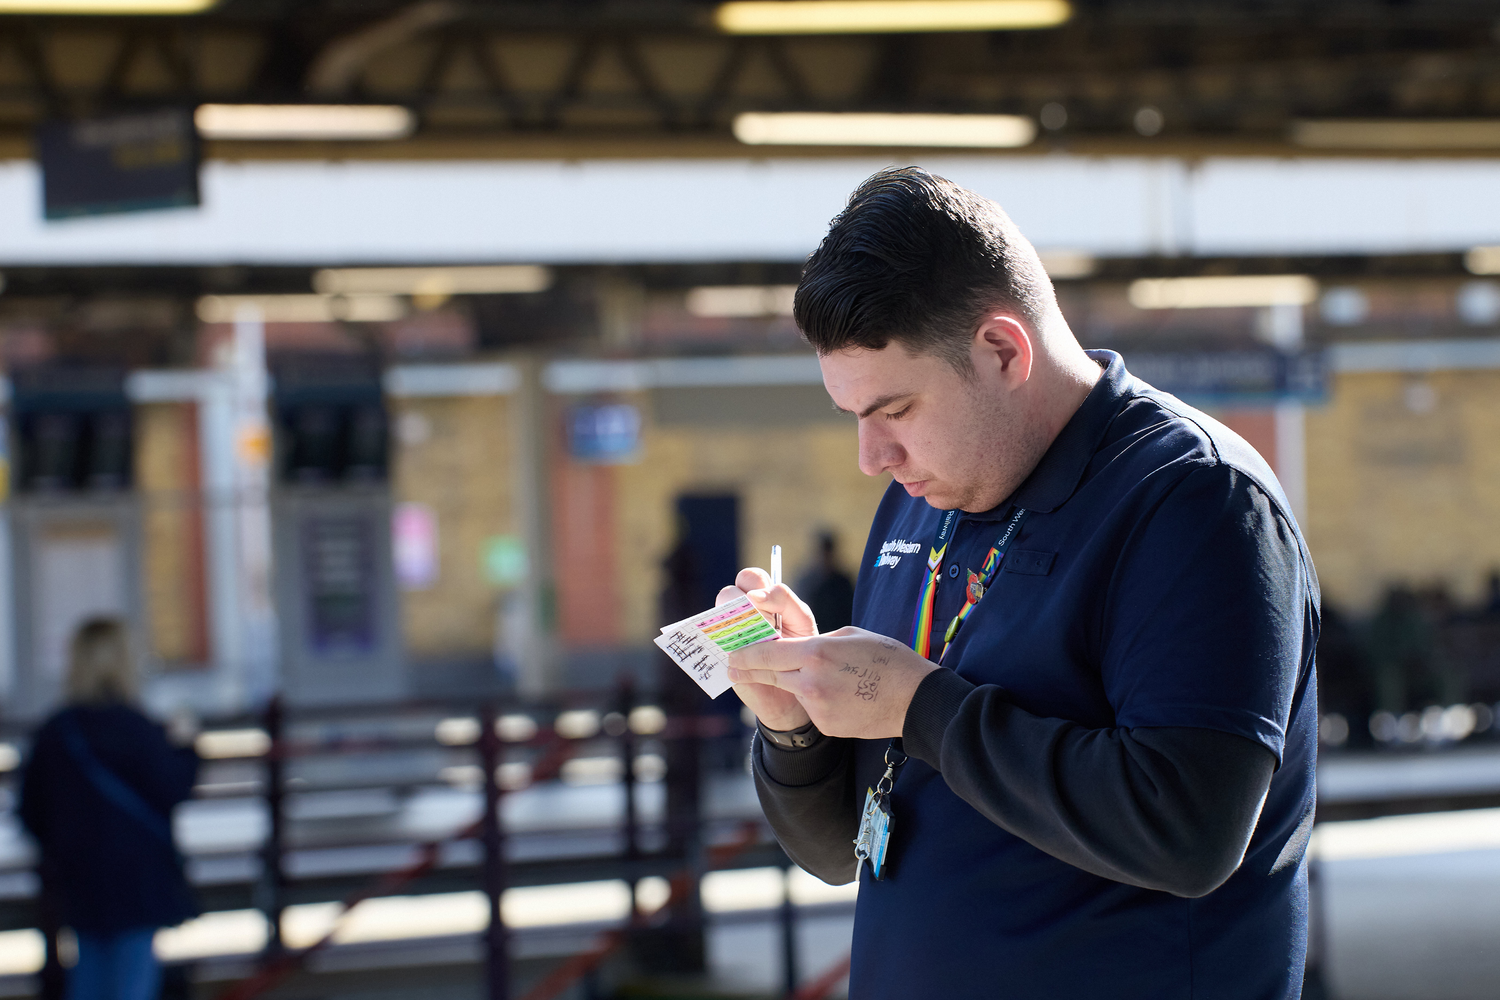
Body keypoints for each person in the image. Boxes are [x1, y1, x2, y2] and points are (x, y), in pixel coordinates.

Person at [719, 167, 1318, 998]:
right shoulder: (921, 503)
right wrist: (794, 726)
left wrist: (921, 705)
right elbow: (839, 849)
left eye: (895, 411)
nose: (874, 459)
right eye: (853, 417)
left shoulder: (1194, 500)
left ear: (1003, 350)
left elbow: (1188, 832)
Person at [19, 618, 200, 1000]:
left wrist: (63, 847)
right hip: (135, 876)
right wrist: (187, 748)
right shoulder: (136, 727)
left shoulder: (57, 730)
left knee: (89, 976)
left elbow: (30, 808)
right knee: (133, 981)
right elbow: (172, 787)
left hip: (79, 876)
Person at [796, 531, 855, 634]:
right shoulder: (806, 582)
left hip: (840, 640)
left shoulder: (843, 582)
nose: (824, 557)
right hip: (813, 638)